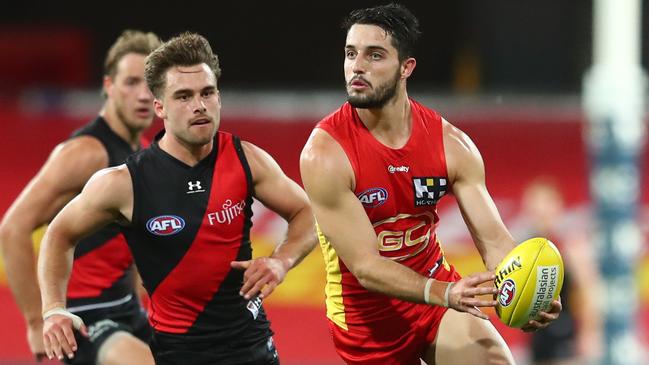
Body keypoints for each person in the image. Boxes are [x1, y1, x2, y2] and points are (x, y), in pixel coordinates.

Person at [299, 4, 563, 365]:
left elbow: (495, 241)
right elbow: (365, 266)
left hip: (435, 295)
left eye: (374, 55)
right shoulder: (325, 154)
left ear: (406, 68)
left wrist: (525, 292)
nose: (357, 66)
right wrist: (445, 292)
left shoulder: (451, 145)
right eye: (350, 53)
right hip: (367, 321)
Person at [37, 32, 317, 365]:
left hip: (253, 348)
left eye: (207, 92)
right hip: (177, 355)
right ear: (160, 107)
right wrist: (53, 309)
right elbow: (58, 234)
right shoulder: (125, 182)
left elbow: (306, 211)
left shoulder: (246, 159)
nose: (199, 105)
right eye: (183, 96)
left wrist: (281, 260)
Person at [0, 30, 161, 365]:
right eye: (131, 82)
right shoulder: (86, 153)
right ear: (108, 86)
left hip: (127, 311)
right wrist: (36, 320)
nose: (143, 95)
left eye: (151, 84)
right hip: (85, 319)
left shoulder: (144, 153)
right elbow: (12, 229)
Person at [519, 179, 603, 365]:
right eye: (534, 210)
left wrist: (589, 333)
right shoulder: (526, 248)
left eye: (543, 209)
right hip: (538, 339)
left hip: (566, 337)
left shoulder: (570, 245)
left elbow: (590, 289)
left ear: (556, 207)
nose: (539, 215)